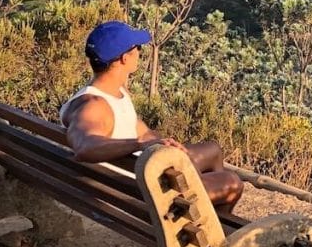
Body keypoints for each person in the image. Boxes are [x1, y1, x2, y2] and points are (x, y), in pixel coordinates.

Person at [60, 20, 244, 211]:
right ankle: (210, 238)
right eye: (138, 48)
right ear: (124, 58)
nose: (140, 53)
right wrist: (140, 144)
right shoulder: (94, 105)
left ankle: (204, 222)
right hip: (140, 191)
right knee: (231, 182)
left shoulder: (113, 93)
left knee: (212, 150)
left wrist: (166, 146)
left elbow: (143, 132)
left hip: (136, 175)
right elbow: (84, 147)